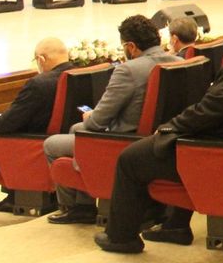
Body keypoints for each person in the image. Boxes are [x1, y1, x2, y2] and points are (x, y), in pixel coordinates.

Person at [95, 1, 223, 253]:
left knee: (130, 158)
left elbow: (207, 112)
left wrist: (169, 127)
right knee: (166, 144)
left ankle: (121, 237)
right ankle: (175, 225)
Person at [44, 16, 181, 224]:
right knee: (77, 128)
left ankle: (75, 206)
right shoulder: (178, 61)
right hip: (163, 139)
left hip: (124, 142)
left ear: (131, 46)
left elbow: (97, 122)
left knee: (52, 144)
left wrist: (90, 116)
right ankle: (83, 204)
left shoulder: (128, 70)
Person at [0, 38, 72, 225]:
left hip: (30, 145)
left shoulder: (39, 84)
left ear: (41, 59)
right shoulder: (78, 75)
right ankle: (12, 198)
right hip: (61, 140)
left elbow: (5, 125)